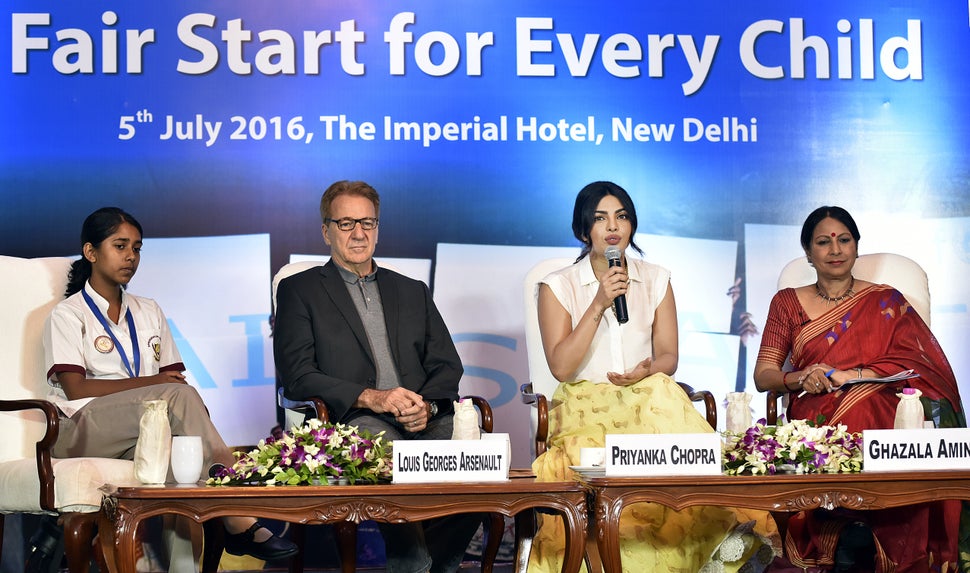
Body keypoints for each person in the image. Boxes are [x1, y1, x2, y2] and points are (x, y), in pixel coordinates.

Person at [527, 181, 778, 572]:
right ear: (582, 230)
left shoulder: (657, 278)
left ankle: (702, 547)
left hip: (645, 397)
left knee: (662, 389)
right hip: (584, 402)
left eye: (622, 216)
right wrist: (599, 302)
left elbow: (668, 357)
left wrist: (649, 369)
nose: (613, 226)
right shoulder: (559, 285)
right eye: (600, 218)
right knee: (595, 451)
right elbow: (561, 367)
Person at [43, 207, 298, 562]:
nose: (131, 256)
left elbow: (175, 386)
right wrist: (154, 382)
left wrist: (171, 397)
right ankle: (238, 506)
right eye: (120, 246)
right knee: (176, 395)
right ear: (91, 252)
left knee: (185, 466)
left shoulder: (148, 310)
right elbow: (77, 390)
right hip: (80, 429)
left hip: (141, 431)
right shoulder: (68, 314)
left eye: (137, 248)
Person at [272, 180, 481, 573]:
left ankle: (435, 564)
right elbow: (298, 375)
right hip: (352, 419)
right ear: (326, 231)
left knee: (469, 455)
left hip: (422, 415)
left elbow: (446, 365)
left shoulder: (411, 290)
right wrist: (371, 397)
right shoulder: (300, 290)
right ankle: (414, 564)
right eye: (347, 222)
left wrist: (429, 405)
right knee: (382, 449)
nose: (359, 233)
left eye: (367, 222)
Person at [754, 205, 966, 572]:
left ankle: (873, 529)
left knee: (866, 407)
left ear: (856, 247)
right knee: (847, 416)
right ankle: (847, 529)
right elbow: (764, 375)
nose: (835, 249)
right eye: (823, 242)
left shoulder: (887, 300)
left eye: (844, 240)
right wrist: (800, 378)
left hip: (880, 402)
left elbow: (920, 365)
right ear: (808, 252)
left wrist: (852, 374)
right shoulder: (786, 302)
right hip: (815, 409)